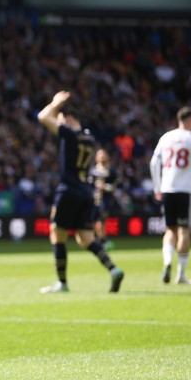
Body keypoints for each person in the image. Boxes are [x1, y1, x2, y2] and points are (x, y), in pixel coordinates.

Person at [36, 91, 124, 294]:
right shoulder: (89, 138)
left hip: (69, 190)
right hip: (86, 191)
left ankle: (62, 283)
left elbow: (42, 117)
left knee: (57, 236)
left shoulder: (70, 133)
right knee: (85, 239)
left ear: (67, 118)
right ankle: (114, 269)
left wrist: (55, 104)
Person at [149, 106, 191, 284]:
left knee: (170, 229)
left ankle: (167, 261)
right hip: (185, 190)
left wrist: (157, 187)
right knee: (184, 231)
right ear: (190, 120)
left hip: (167, 189)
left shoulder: (166, 137)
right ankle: (181, 275)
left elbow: (154, 162)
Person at [90, 148, 117, 250]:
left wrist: (105, 187)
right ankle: (98, 240)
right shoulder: (93, 171)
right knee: (93, 220)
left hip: (105, 200)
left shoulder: (111, 170)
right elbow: (88, 185)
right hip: (93, 200)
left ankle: (102, 240)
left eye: (104, 154)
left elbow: (115, 186)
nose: (102, 156)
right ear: (96, 157)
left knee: (101, 221)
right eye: (100, 154)